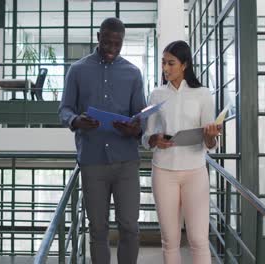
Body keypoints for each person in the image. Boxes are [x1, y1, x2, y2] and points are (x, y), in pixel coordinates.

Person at [58, 17, 146, 264]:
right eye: (108, 42)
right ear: (98, 37)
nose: (112, 48)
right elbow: (64, 109)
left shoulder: (133, 73)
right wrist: (76, 121)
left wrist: (134, 129)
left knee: (129, 226)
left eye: (117, 44)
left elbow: (140, 116)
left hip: (126, 161)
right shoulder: (77, 70)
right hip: (92, 161)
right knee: (97, 229)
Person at [142, 40, 220, 264]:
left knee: (198, 239)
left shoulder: (203, 94)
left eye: (171, 63)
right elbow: (146, 137)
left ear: (184, 64)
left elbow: (210, 142)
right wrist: (155, 139)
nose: (165, 68)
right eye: (164, 63)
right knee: (170, 240)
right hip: (163, 172)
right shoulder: (156, 94)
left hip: (195, 172)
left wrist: (211, 134)